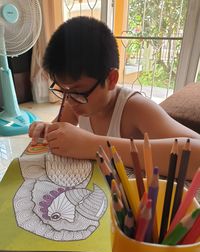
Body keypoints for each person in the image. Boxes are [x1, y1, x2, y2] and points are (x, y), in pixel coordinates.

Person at [29, 16, 200, 180]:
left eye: (77, 91)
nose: (69, 100)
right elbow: (62, 133)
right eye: (63, 90)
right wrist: (47, 129)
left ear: (111, 79)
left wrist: (93, 145)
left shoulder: (136, 108)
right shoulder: (75, 102)